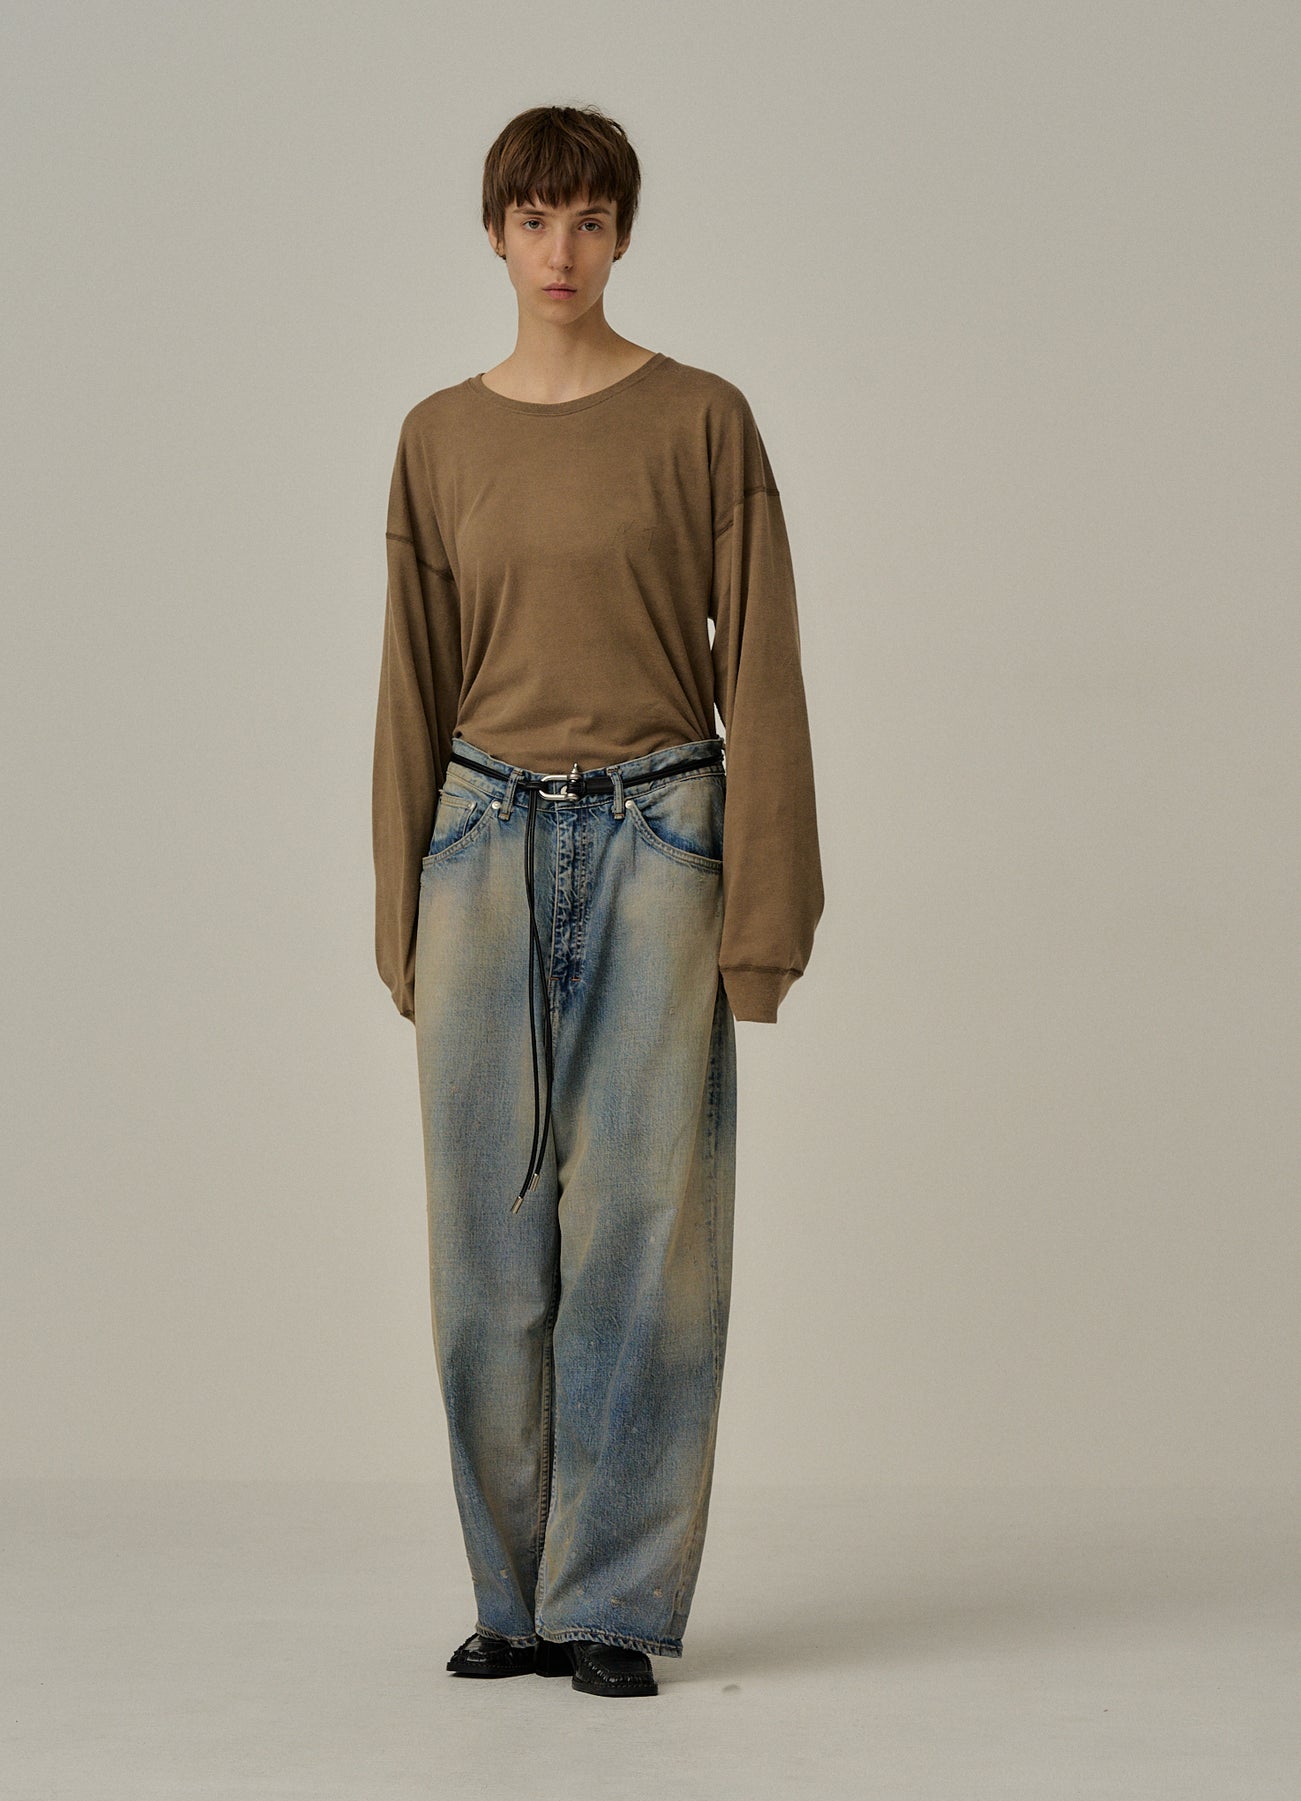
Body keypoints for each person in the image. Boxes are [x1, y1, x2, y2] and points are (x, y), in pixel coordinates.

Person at [370, 103, 824, 1699]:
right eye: (532, 218)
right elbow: (411, 681)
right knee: (484, 1244)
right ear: (493, 234)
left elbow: (759, 663)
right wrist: (397, 911)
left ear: (623, 234)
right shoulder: (438, 436)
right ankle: (511, 1598)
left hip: (660, 836)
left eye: (587, 219)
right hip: (479, 838)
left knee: (644, 1237)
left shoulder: (701, 420)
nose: (559, 249)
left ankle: (610, 1604)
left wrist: (765, 927)